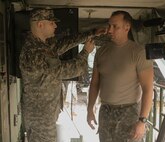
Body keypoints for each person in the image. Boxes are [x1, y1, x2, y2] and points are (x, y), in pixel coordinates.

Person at [19, 8, 105, 142]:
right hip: (40, 116)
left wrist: (91, 33)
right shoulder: (33, 53)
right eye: (52, 22)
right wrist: (85, 53)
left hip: (45, 111)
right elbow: (65, 70)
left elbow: (64, 44)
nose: (55, 25)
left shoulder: (42, 45)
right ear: (40, 25)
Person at [87, 10, 154, 142]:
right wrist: (90, 109)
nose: (110, 30)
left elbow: (148, 88)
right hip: (105, 111)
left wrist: (142, 120)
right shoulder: (101, 52)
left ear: (127, 27)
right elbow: (94, 84)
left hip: (129, 112)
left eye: (115, 26)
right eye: (109, 26)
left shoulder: (138, 52)